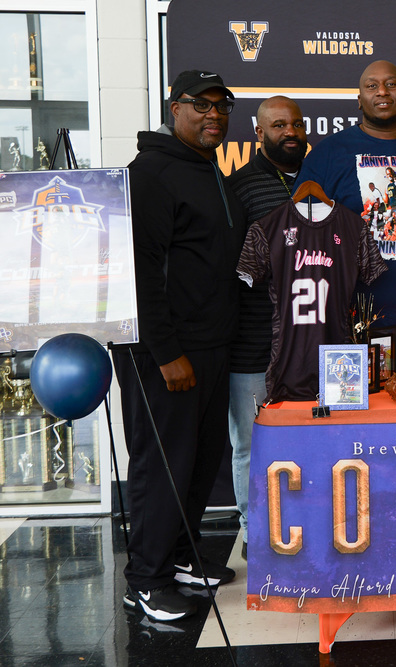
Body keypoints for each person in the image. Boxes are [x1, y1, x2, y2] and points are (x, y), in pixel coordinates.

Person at [112, 70, 245, 622]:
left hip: (212, 346)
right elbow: (140, 272)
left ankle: (184, 556)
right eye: (201, 105)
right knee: (162, 464)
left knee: (198, 462)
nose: (213, 115)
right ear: (175, 107)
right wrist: (165, 352)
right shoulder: (151, 173)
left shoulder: (208, 169)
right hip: (166, 352)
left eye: (222, 107)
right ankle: (146, 578)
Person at [296, 60, 396, 372]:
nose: (382, 91)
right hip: (353, 325)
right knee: (358, 420)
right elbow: (304, 233)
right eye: (372, 85)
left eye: (392, 84)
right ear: (359, 99)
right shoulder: (328, 153)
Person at [226, 95, 307, 560]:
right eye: (278, 125)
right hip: (252, 339)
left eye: (296, 123)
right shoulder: (239, 186)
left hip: (310, 340)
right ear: (259, 133)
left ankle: (302, 525)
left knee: (307, 437)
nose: (289, 131)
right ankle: (254, 531)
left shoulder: (323, 178)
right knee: (252, 442)